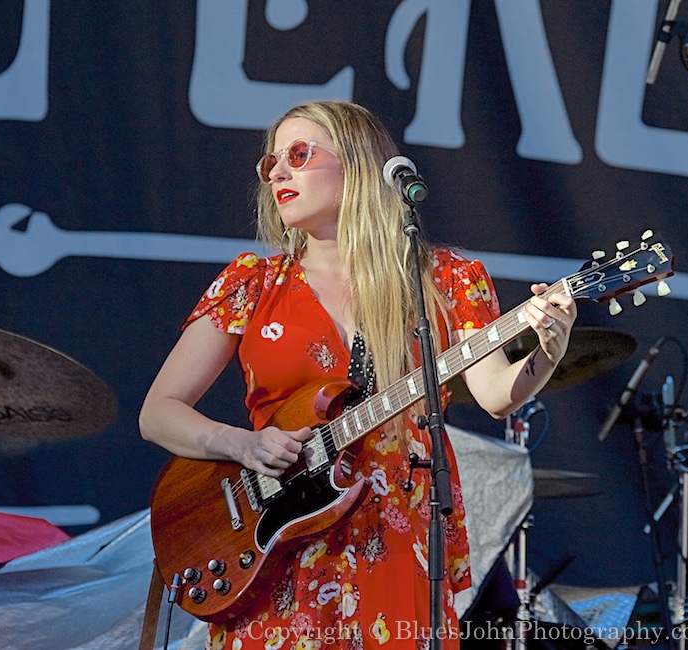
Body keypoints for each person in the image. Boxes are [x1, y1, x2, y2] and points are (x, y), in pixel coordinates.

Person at [139, 100, 577, 649]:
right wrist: (242, 445)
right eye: (269, 163)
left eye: (299, 154)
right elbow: (158, 413)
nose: (278, 171)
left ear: (360, 164)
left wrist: (547, 351)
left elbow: (495, 394)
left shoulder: (442, 278)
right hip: (277, 549)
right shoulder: (251, 283)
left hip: (394, 535)